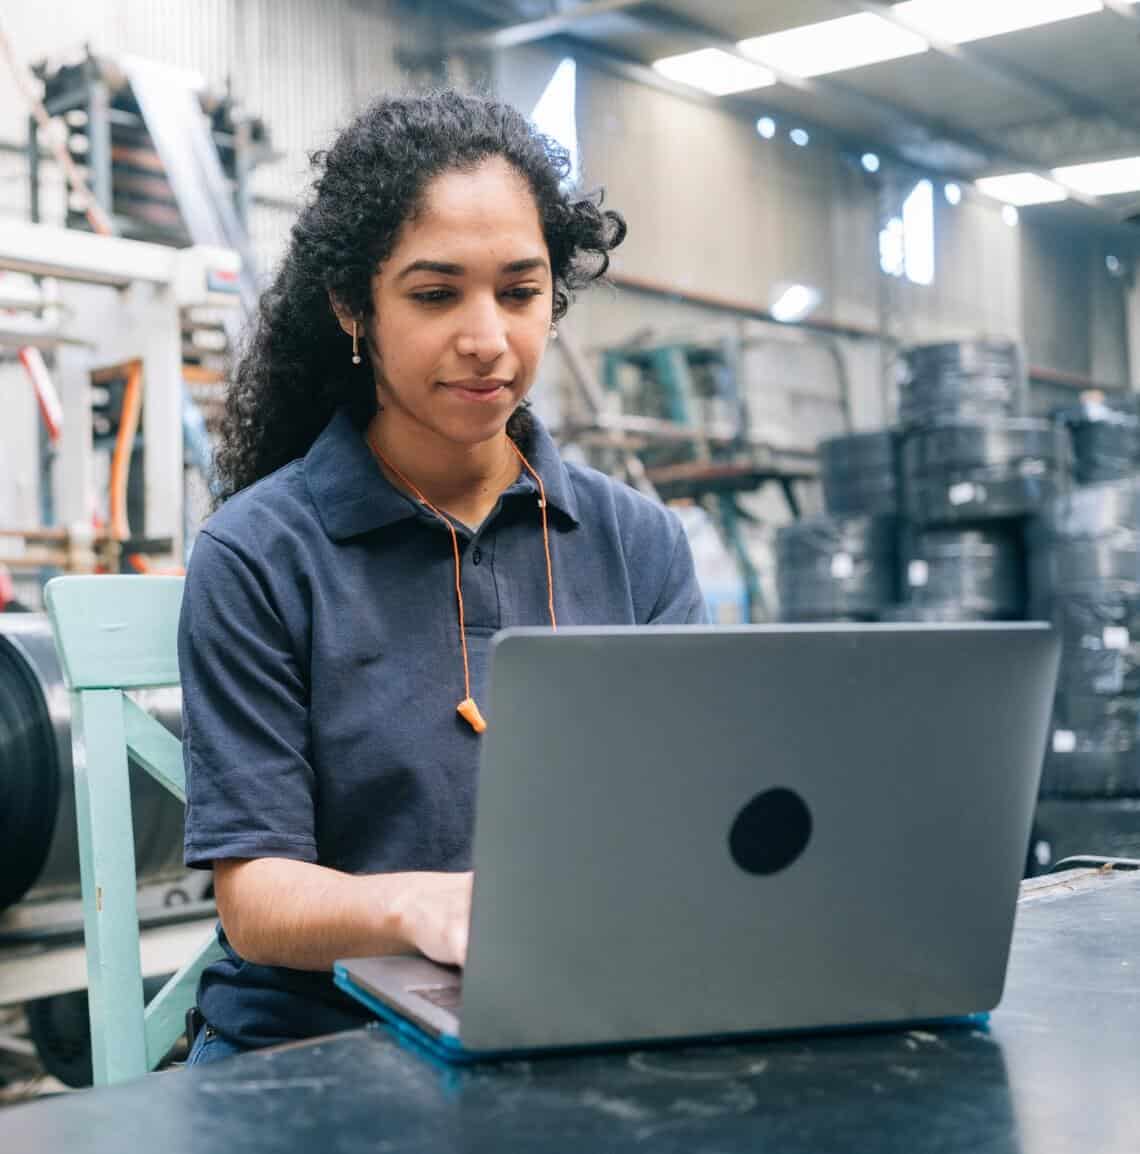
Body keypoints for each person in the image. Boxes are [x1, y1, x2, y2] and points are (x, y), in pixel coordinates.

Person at [180, 89, 708, 1066]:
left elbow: (693, 820)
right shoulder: (260, 554)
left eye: (520, 291)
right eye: (435, 294)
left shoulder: (638, 543)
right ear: (353, 306)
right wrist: (430, 903)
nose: (487, 339)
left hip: (571, 1021)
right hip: (314, 1049)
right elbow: (256, 904)